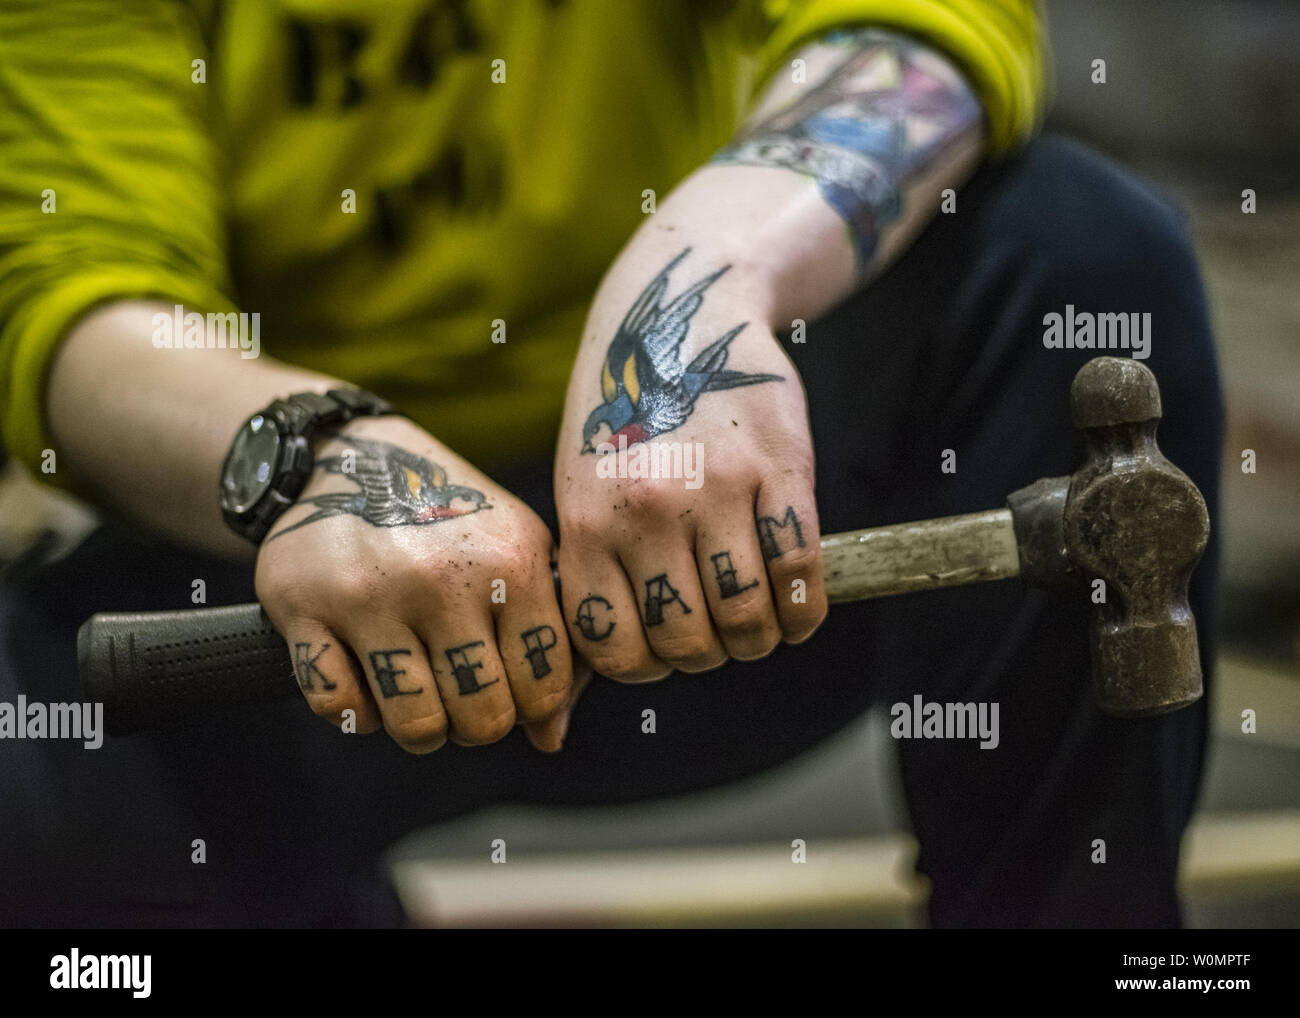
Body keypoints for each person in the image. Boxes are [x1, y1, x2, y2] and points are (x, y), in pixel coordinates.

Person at [0, 0, 1221, 927]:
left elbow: (921, 36)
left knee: (1071, 250)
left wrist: (692, 284)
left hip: (738, 534)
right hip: (302, 617)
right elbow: (73, 290)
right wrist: (322, 460)